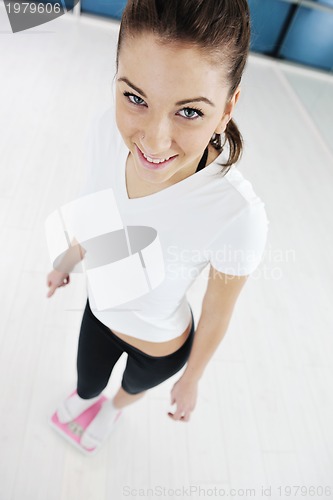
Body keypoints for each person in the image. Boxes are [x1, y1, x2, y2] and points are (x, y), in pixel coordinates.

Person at [46, 0, 269, 452]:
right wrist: (67, 259)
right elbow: (95, 215)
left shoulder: (238, 213)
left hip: (161, 346)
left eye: (189, 111)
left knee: (126, 391)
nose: (153, 140)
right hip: (100, 312)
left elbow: (218, 310)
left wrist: (192, 379)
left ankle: (113, 411)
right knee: (87, 383)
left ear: (227, 108)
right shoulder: (103, 133)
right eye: (135, 98)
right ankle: (91, 399)